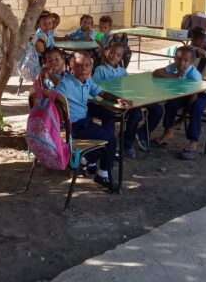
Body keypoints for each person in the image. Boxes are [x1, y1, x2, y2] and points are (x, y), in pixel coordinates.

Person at [55, 51, 133, 187]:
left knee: (109, 116)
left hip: (83, 120)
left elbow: (101, 93)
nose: (83, 68)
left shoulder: (87, 81)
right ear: (71, 66)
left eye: (87, 65)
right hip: (75, 126)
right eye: (79, 65)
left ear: (92, 66)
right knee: (110, 139)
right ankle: (102, 174)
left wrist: (118, 98)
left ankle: (90, 158)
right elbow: (54, 102)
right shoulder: (65, 85)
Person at [92, 43, 164, 158]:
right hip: (111, 103)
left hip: (126, 99)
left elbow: (128, 85)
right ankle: (127, 144)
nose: (114, 56)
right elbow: (95, 88)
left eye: (118, 55)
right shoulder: (100, 70)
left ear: (121, 58)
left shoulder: (122, 71)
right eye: (112, 53)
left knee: (158, 109)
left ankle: (141, 134)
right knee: (136, 114)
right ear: (106, 52)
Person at [153, 46, 206, 161]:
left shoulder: (194, 75)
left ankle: (193, 141)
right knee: (170, 104)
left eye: (185, 60)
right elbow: (156, 73)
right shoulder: (174, 67)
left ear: (192, 62)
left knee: (195, 108)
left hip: (200, 94)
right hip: (184, 94)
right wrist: (175, 75)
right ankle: (168, 132)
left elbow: (193, 96)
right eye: (178, 59)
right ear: (174, 58)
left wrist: (183, 116)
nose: (181, 62)